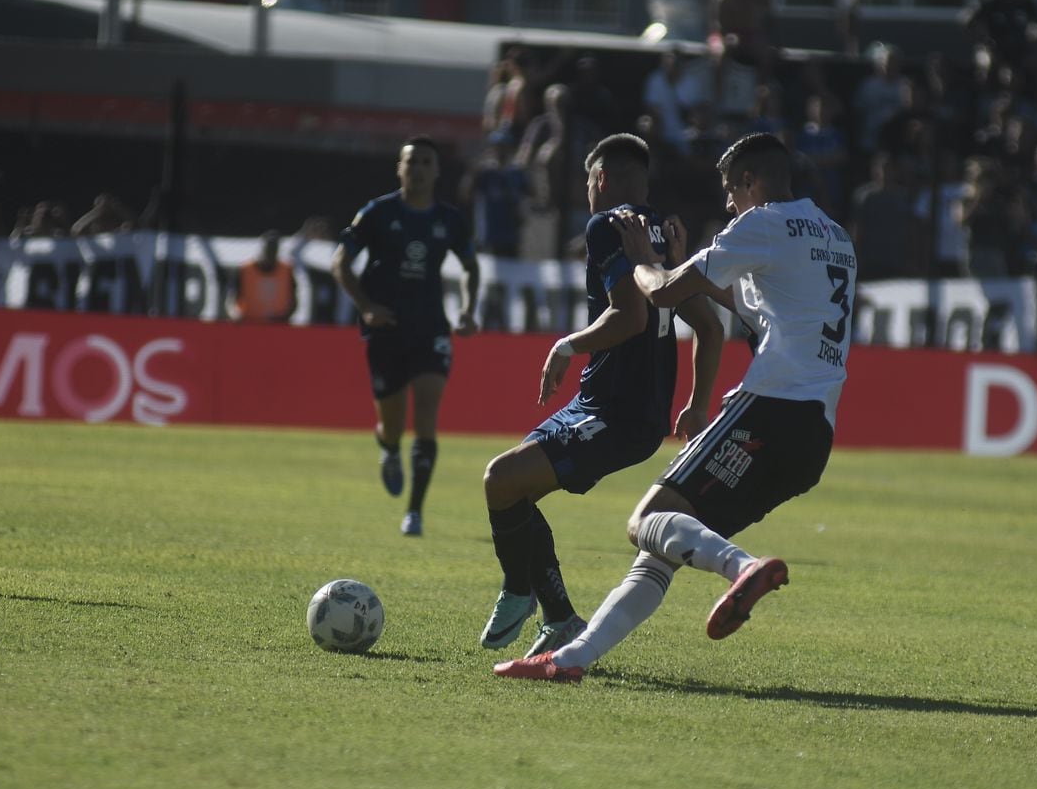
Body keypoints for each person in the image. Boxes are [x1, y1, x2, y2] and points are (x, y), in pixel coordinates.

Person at [494, 132, 856, 682]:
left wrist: (647, 259)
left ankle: (745, 566)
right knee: (663, 545)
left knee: (644, 520)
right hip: (816, 434)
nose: (729, 206)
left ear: (750, 182)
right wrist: (686, 263)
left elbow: (660, 294)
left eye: (732, 192)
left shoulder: (761, 224)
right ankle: (570, 659)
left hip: (770, 406)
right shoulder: (835, 236)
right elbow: (749, 308)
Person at [477, 133, 724, 659]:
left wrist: (566, 346)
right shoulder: (665, 230)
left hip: (618, 412)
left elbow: (631, 317)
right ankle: (557, 614)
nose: (588, 191)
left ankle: (523, 592)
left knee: (501, 480)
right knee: (510, 491)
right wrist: (698, 403)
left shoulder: (606, 225)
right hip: (611, 405)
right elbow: (709, 327)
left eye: (588, 180)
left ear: (601, 179)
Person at [331, 136, 481, 536]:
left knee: (428, 410)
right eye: (411, 161)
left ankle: (414, 511)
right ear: (399, 168)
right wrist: (365, 305)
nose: (417, 168)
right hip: (386, 327)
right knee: (393, 424)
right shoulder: (378, 213)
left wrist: (467, 309)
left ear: (437, 171)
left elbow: (470, 266)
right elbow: (341, 262)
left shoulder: (449, 220)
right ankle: (389, 449)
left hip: (430, 324)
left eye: (426, 162)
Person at [230, 230, 297, 323]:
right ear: (261, 248)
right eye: (268, 249)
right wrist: (236, 315)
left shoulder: (287, 270)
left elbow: (293, 302)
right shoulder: (244, 270)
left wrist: (283, 318)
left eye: (274, 249)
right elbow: (232, 302)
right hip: (249, 324)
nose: (270, 253)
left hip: (278, 327)